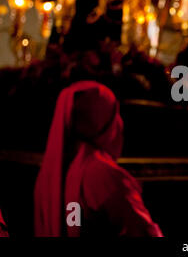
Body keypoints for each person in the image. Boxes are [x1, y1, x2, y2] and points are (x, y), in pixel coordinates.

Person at [34, 81, 163, 237]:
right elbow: (143, 231)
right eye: (115, 114)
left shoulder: (50, 172)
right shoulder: (104, 176)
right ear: (104, 123)